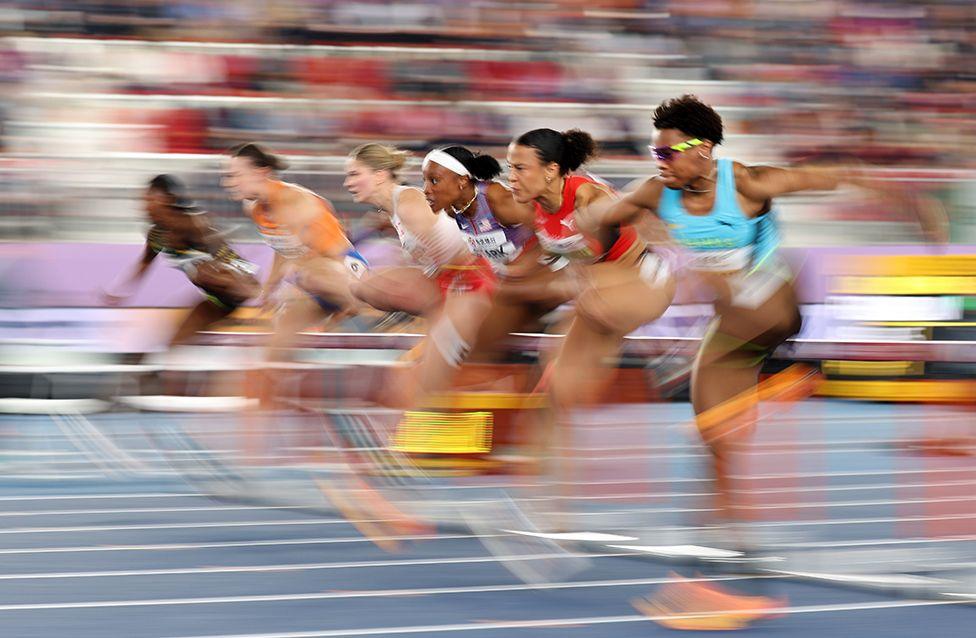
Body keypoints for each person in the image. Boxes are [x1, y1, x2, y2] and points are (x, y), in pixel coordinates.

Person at [598, 94, 947, 629]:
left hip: (777, 306)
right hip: (733, 331)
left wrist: (914, 207)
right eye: (654, 152)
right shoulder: (653, 194)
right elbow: (600, 222)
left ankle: (789, 378)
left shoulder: (750, 183)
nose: (658, 162)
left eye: (668, 153)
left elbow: (838, 175)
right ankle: (736, 567)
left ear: (705, 150)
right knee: (709, 440)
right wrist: (636, 244)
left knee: (720, 289)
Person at [343, 143, 497, 407]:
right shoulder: (394, 209)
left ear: (380, 175)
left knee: (418, 382)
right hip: (454, 281)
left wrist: (438, 323)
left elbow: (461, 256)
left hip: (472, 283)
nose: (348, 183)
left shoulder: (409, 204)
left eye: (355, 174)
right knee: (364, 285)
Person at [223, 142, 367, 360]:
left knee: (306, 277)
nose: (228, 182)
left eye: (235, 175)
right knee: (280, 334)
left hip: (346, 269)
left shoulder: (292, 200)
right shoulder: (254, 208)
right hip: (316, 280)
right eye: (228, 176)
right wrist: (270, 288)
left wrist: (293, 291)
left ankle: (358, 307)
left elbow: (331, 252)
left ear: (260, 173)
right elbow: (283, 248)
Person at [105, 174, 259, 347]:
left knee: (202, 272)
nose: (145, 207)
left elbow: (222, 253)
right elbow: (145, 263)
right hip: (217, 300)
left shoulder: (192, 223)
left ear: (169, 199)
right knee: (174, 342)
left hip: (237, 282)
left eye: (151, 200)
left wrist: (244, 287)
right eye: (144, 201)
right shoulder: (156, 234)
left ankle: (259, 300)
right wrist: (120, 290)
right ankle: (159, 371)